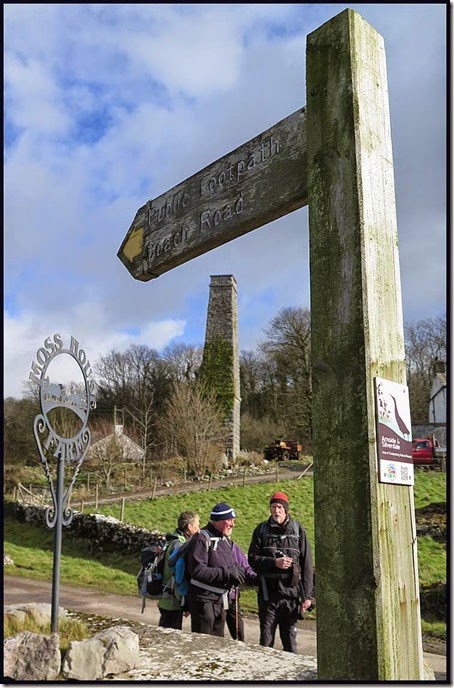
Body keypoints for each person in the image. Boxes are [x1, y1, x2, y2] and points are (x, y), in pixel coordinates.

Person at [248, 491, 313, 653]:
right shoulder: (261, 530)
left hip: (291, 595)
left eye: (279, 507)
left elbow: (307, 565)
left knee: (290, 644)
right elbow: (252, 559)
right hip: (268, 595)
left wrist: (307, 596)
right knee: (266, 643)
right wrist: (274, 562)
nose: (276, 511)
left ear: (285, 509)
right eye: (273, 507)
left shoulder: (297, 530)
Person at [185, 502, 246, 638]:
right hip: (204, 602)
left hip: (220, 602)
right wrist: (227, 573)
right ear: (218, 521)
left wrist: (237, 572)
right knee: (202, 644)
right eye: (229, 520)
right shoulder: (201, 539)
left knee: (217, 645)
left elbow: (230, 565)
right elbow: (198, 571)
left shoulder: (224, 540)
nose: (233, 524)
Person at [158, 510, 200, 629]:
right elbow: (179, 577)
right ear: (190, 527)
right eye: (197, 525)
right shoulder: (180, 545)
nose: (199, 529)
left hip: (165, 598)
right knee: (170, 634)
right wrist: (185, 603)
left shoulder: (172, 539)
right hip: (172, 601)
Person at [226, 539, 258, 641]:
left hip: (231, 595)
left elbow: (246, 568)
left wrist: (257, 579)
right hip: (214, 597)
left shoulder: (233, 547)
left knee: (238, 632)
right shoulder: (209, 544)